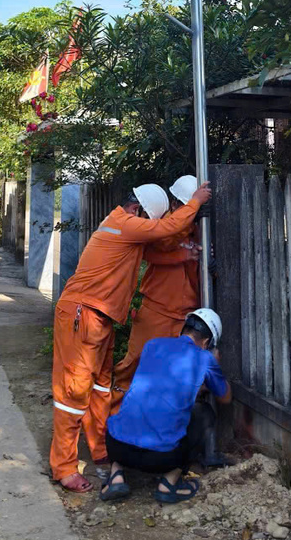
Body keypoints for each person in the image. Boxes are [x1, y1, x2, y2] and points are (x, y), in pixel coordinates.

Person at [50, 180, 212, 493]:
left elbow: (155, 255)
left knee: (100, 388)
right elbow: (165, 232)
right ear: (138, 210)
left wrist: (187, 256)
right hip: (83, 315)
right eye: (151, 221)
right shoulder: (124, 222)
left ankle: (102, 452)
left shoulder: (123, 230)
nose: (151, 227)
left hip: (101, 319)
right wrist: (195, 202)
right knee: (73, 394)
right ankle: (64, 467)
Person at [101, 308, 230, 504]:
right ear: (207, 342)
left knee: (129, 414)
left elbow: (160, 382)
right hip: (160, 459)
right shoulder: (205, 359)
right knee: (204, 414)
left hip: (117, 447)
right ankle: (168, 484)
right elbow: (225, 397)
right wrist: (215, 363)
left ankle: (116, 476)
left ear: (183, 330)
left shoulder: (152, 345)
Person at [111, 175, 201, 406]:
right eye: (182, 205)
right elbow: (159, 246)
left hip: (185, 316)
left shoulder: (203, 232)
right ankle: (112, 425)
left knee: (171, 379)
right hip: (155, 311)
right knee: (133, 367)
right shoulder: (165, 227)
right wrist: (187, 226)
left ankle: (157, 433)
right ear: (174, 205)